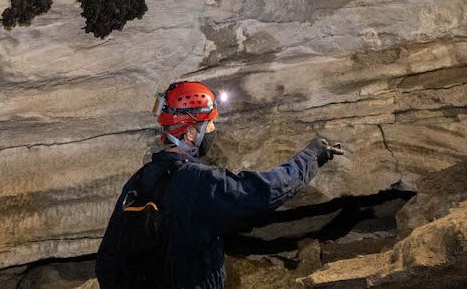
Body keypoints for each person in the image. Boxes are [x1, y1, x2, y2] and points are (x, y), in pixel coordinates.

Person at [95, 80, 346, 289]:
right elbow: (263, 192)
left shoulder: (138, 180)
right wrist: (311, 157)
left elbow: (107, 259)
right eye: (210, 123)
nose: (213, 130)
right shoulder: (198, 181)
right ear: (191, 133)